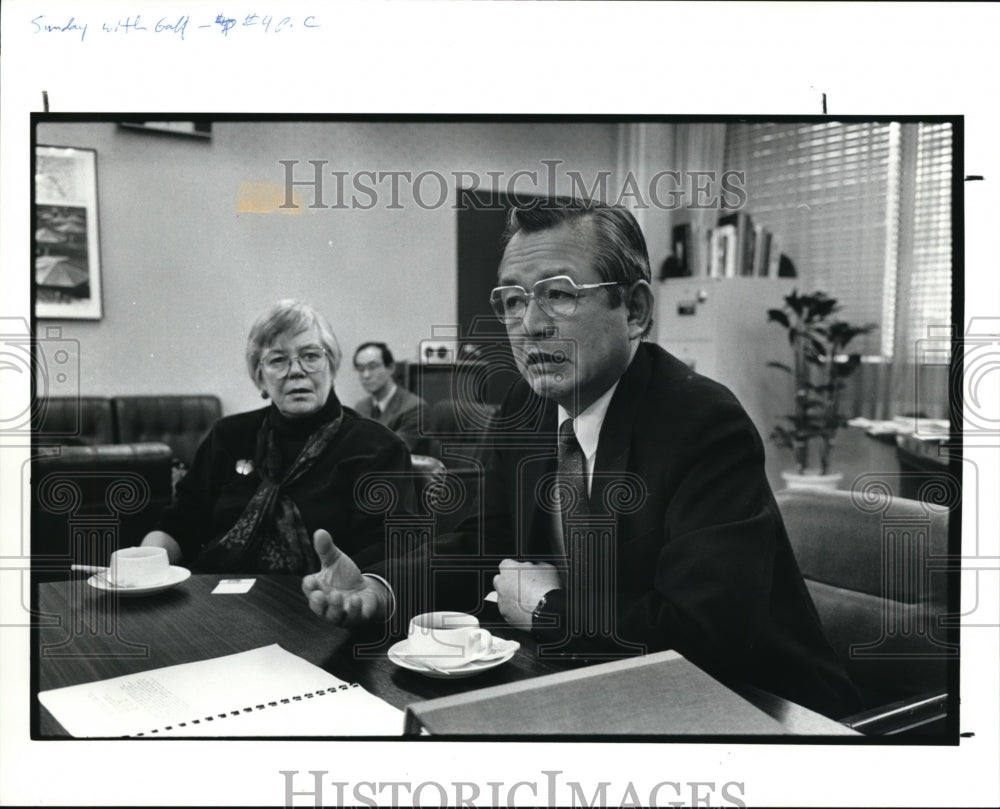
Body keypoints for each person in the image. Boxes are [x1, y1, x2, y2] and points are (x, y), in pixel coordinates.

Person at [309, 200, 860, 719]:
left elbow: (704, 635)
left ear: (636, 309)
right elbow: (479, 549)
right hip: (601, 686)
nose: (530, 325)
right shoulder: (525, 405)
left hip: (763, 710)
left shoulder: (704, 424)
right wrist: (380, 590)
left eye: (559, 294)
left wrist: (548, 607)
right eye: (515, 300)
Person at [141, 300, 409, 625]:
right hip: (212, 609)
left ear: (332, 366)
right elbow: (180, 523)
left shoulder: (376, 447)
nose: (296, 370)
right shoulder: (229, 435)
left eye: (310, 356)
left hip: (322, 614)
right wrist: (142, 566)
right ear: (260, 377)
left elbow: (391, 549)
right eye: (278, 360)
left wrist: (353, 591)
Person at [352, 342, 428, 453]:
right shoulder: (360, 407)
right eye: (360, 369)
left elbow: (393, 453)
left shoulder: (415, 408)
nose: (366, 375)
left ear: (391, 368)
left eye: (372, 367)